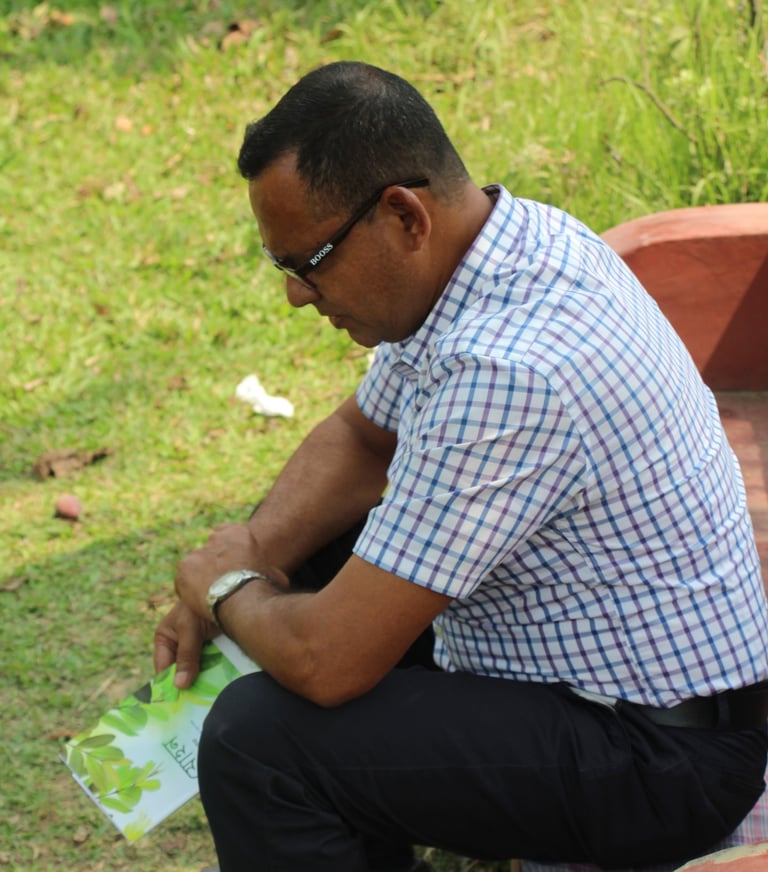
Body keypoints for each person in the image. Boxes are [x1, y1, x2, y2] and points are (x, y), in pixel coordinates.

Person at [153, 61, 768, 872]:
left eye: (310, 262)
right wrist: (257, 554)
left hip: (659, 760)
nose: (299, 296)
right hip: (613, 690)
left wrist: (227, 589)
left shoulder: (510, 369)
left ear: (404, 215)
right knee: (306, 565)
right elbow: (364, 439)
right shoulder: (509, 246)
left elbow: (329, 664)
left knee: (261, 744)